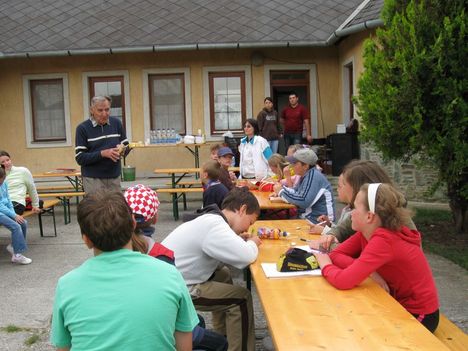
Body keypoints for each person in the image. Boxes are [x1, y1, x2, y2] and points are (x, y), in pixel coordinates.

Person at [50, 191, 198, 350]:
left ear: (86, 240)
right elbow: (184, 344)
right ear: (133, 223)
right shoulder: (170, 275)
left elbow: (63, 347)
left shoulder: (66, 286)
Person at [313, 183, 440, 332]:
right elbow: (336, 254)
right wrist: (372, 273)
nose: (350, 213)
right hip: (397, 303)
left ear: (369, 216)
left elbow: (343, 280)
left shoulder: (385, 240)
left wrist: (325, 265)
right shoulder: (367, 232)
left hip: (420, 315)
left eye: (354, 208)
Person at [125, 185, 228, 351]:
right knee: (220, 343)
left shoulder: (119, 249)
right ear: (155, 217)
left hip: (134, 324)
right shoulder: (162, 256)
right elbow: (178, 309)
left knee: (199, 320)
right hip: (159, 330)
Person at [162, 187, 262, 351]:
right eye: (250, 222)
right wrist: (253, 243)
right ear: (242, 209)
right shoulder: (215, 225)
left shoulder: (211, 219)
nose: (247, 228)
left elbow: (219, 251)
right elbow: (246, 257)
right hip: (177, 289)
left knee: (223, 274)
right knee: (241, 299)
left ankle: (223, 334)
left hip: (170, 279)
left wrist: (236, 239)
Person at [309, 160, 417, 252]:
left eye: (343, 185)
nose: (338, 189)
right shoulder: (367, 210)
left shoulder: (383, 218)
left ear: (360, 189)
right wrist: (331, 235)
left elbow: (359, 257)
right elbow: (341, 230)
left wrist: (327, 246)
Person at [75, 95, 129, 194]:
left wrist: (123, 150)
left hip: (114, 178)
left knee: (115, 209)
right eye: (100, 110)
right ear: (92, 110)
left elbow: (126, 146)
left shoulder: (117, 123)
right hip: (93, 180)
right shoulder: (82, 128)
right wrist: (102, 154)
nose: (104, 114)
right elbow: (80, 158)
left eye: (107, 110)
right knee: (96, 209)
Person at [273, 148, 335, 224]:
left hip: (320, 222)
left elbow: (303, 201)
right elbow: (296, 191)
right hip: (309, 218)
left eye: (295, 163)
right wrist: (281, 190)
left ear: (305, 166)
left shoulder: (314, 176)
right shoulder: (306, 175)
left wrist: (281, 192)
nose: (291, 166)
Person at [0, 167, 32, 265]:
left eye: (1, 181)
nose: (1, 183)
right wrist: (13, 215)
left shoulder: (4, 183)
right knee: (16, 226)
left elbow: (8, 200)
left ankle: (14, 247)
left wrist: (15, 214)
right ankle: (17, 255)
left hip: (4, 211)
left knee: (23, 223)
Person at [0, 150, 41, 215]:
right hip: (3, 204)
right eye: (3, 162)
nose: (7, 163)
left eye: (8, 160)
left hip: (17, 203)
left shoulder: (22, 171)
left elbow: (32, 188)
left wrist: (35, 205)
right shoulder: (1, 175)